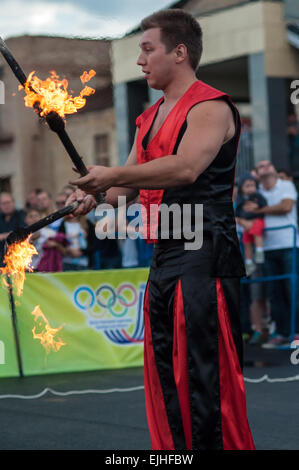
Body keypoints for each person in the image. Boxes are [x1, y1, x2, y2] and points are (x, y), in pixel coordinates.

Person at [66, 9, 254, 450]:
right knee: (167, 372)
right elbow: (125, 189)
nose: (140, 61)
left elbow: (186, 168)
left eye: (148, 49)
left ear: (181, 52)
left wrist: (110, 174)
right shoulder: (148, 119)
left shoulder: (210, 106)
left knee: (204, 377)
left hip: (205, 253)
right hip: (166, 256)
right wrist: (94, 196)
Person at [245, 160, 299, 348]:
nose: (265, 166)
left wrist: (260, 210)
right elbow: (245, 213)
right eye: (260, 166)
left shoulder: (286, 185)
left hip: (288, 244)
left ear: (275, 170)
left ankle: (297, 333)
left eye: (268, 164)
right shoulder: (256, 192)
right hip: (266, 248)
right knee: (275, 294)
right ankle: (283, 333)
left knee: (292, 290)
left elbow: (286, 207)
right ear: (258, 174)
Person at [235, 173, 267, 276]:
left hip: (257, 220)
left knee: (257, 234)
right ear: (241, 187)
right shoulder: (240, 199)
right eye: (247, 186)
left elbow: (264, 203)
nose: (251, 188)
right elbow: (237, 211)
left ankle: (259, 251)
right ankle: (248, 263)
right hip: (246, 226)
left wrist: (257, 206)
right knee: (246, 242)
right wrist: (239, 219)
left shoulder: (257, 196)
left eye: (252, 185)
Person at [0, 192, 25, 266]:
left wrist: (4, 236)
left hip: (18, 256)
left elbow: (22, 231)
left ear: (13, 203)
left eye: (8, 202)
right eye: (3, 203)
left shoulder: (21, 214)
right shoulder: (1, 217)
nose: (6, 206)